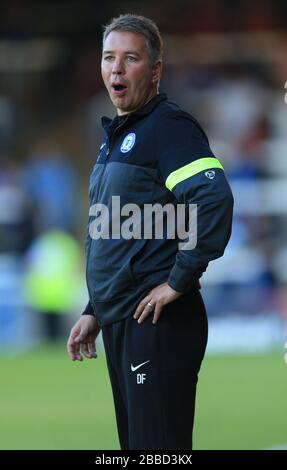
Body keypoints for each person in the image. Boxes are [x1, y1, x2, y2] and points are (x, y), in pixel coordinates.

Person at [67, 14, 233, 450]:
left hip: (158, 323)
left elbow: (213, 199)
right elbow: (115, 232)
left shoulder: (168, 128)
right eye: (108, 58)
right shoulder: (116, 137)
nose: (116, 69)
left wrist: (180, 279)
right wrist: (95, 308)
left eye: (130, 58)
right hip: (123, 318)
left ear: (155, 69)